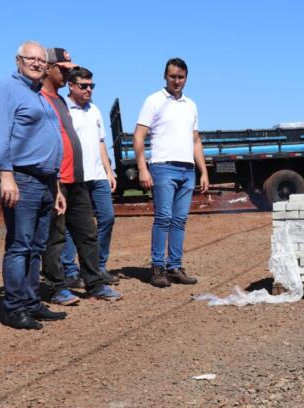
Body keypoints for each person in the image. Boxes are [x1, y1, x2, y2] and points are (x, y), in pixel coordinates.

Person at [0, 41, 67, 329]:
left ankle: (31, 302)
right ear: (18, 60)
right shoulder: (4, 90)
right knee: (20, 245)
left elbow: (48, 145)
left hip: (45, 181)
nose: (36, 63)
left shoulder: (39, 96)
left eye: (41, 60)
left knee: (36, 246)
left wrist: (55, 187)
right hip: (21, 177)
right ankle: (15, 308)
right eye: (30, 58)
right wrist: (6, 176)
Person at [40, 48, 121, 303]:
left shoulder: (61, 103)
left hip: (77, 179)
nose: (67, 73)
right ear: (48, 68)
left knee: (87, 232)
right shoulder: (40, 100)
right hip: (58, 179)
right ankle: (56, 286)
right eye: (63, 69)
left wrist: (108, 171)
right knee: (56, 235)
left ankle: (95, 282)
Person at [134, 57, 209, 288]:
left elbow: (195, 140)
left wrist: (203, 171)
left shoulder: (191, 105)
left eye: (181, 77)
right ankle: (158, 267)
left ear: (186, 78)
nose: (177, 81)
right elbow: (138, 136)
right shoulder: (154, 101)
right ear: (165, 76)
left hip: (187, 169)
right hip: (163, 167)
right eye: (173, 76)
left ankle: (174, 266)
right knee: (164, 218)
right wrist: (142, 168)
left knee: (180, 220)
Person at [60, 67, 118, 288]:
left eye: (91, 86)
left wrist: (109, 171)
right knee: (70, 226)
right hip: (75, 176)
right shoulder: (63, 109)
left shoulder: (94, 110)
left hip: (98, 175)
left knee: (107, 218)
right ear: (71, 86)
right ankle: (71, 271)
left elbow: (101, 142)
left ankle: (98, 267)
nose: (88, 90)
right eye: (84, 86)